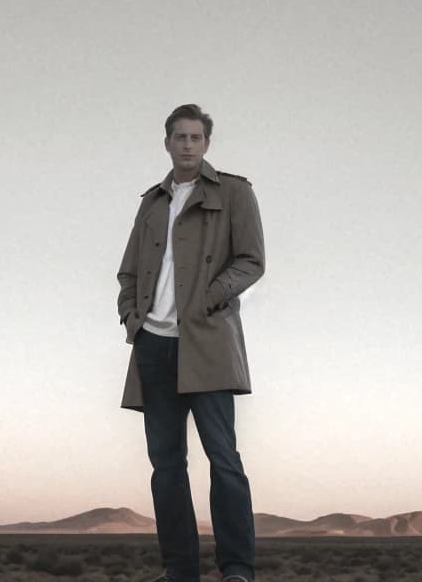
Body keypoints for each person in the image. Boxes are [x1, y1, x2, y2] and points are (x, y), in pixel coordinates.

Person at [117, 103, 265, 582]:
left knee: (225, 461)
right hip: (154, 347)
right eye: (178, 137)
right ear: (167, 143)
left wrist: (205, 298)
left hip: (207, 345)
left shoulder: (235, 192)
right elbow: (128, 271)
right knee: (166, 467)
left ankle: (237, 569)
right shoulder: (151, 202)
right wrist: (132, 319)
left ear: (206, 143)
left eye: (195, 137)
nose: (186, 144)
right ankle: (179, 570)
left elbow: (251, 260)